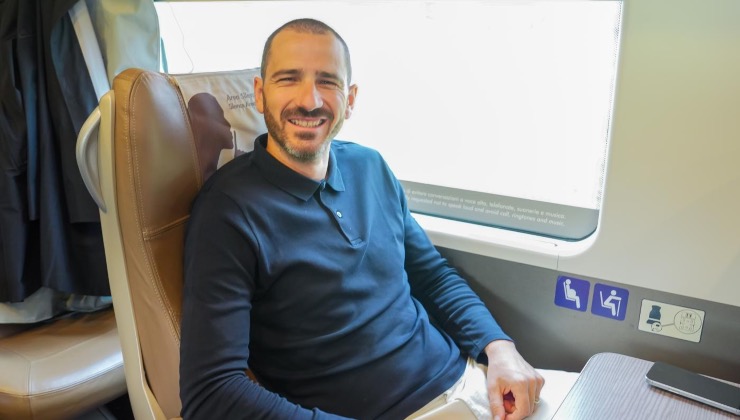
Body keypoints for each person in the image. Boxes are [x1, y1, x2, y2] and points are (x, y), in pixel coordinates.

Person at [179, 18, 544, 420]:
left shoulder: (371, 166)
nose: (310, 100)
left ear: (350, 99)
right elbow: (212, 393)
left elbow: (432, 276)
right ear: (260, 95)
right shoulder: (226, 213)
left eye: (328, 82)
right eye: (289, 79)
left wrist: (499, 349)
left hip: (472, 380)